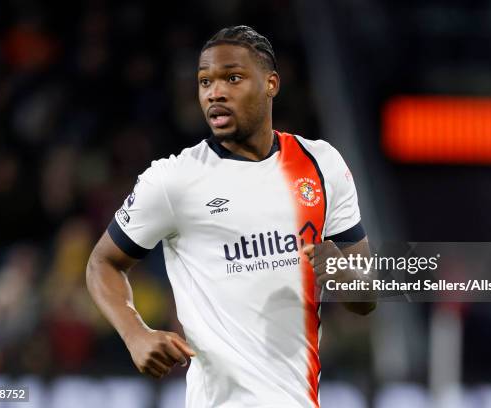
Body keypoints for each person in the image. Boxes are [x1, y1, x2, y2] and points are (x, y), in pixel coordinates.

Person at [86, 25, 375, 408]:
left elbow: (367, 294)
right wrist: (134, 332)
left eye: (232, 78)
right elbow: (102, 263)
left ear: (271, 83)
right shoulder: (174, 179)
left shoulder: (321, 165)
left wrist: (343, 273)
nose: (214, 93)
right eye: (205, 82)